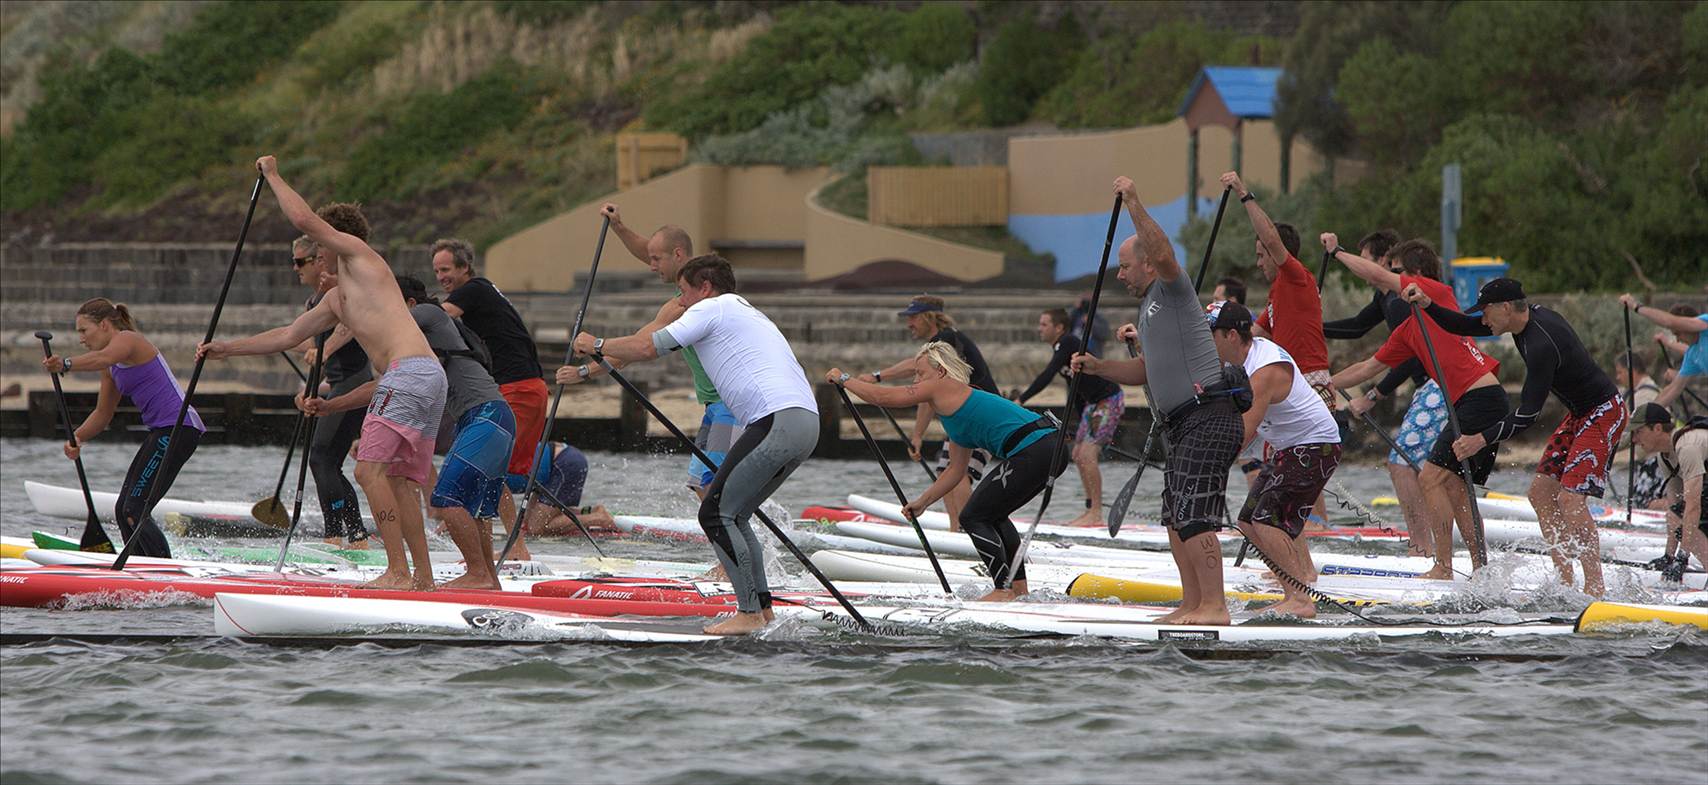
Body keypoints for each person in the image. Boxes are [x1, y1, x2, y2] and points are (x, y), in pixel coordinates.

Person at [200, 156, 446, 591]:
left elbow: (302, 217)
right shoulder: (337, 299)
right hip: (425, 377)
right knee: (400, 481)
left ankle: (397, 574)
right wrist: (225, 349)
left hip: (408, 375)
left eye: (315, 247)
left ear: (332, 240)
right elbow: (287, 336)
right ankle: (421, 580)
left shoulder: (361, 259)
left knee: (369, 474)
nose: (313, 255)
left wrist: (272, 175)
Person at [571, 254, 818, 635]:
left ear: (705, 288)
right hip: (803, 422)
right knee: (734, 513)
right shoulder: (743, 310)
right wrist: (593, 364)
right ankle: (762, 611)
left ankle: (748, 612)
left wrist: (596, 343)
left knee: (714, 513)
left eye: (684, 293)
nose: (680, 301)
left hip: (774, 421)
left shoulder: (714, 307)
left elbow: (647, 348)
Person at [1072, 176, 1246, 626]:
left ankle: (1216, 607)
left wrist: (1133, 199)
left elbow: (1165, 250)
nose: (1120, 274)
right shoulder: (1147, 309)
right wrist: (1097, 366)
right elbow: (1146, 371)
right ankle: (1192, 604)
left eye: (1126, 266)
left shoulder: (1173, 288)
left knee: (1195, 512)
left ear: (1149, 265)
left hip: (1209, 415)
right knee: (1175, 516)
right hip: (1182, 424)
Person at [1405, 277, 1626, 596]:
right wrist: (1428, 304)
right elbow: (1460, 325)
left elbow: (1527, 414)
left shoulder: (1540, 343)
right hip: (1579, 415)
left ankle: (1595, 588)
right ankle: (1565, 584)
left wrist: (1480, 439)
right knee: (1540, 494)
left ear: (1505, 308)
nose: (1482, 319)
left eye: (1485, 312)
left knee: (1570, 499)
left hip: (1605, 412)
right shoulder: (1518, 322)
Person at [309, 276, 515, 588]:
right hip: (487, 418)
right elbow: (382, 386)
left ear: (409, 305)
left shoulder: (431, 315)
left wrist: (347, 291)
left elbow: (377, 317)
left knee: (446, 497)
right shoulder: (414, 350)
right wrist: (332, 405)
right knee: (473, 505)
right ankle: (487, 577)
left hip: (487, 415)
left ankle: (477, 575)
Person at [1327, 236, 1505, 581]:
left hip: (1482, 398)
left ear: (1417, 276)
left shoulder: (1437, 293)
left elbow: (1378, 278)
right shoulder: (1409, 330)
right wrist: (1322, 382)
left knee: (1430, 476)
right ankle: (1481, 572)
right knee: (1454, 487)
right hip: (1469, 401)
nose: (1392, 280)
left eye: (1398, 273)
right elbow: (1366, 368)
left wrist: (1336, 253)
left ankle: (1442, 567)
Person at [832, 343, 1063, 601]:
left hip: (1037, 448)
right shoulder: (954, 418)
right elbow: (955, 471)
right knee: (993, 514)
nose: (917, 380)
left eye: (920, 373)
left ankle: (1002, 590)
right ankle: (1018, 590)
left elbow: (884, 398)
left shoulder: (944, 386)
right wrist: (922, 503)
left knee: (973, 517)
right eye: (915, 376)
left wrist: (844, 379)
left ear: (940, 371)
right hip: (1048, 449)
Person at [573, 205, 739, 500]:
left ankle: (735, 536)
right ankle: (734, 531)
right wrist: (619, 227)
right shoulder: (693, 283)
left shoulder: (683, 305)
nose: (650, 266)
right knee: (706, 483)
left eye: (656, 260)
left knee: (708, 482)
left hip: (731, 406)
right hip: (717, 407)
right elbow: (653, 251)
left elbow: (638, 348)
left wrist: (586, 369)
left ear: (678, 255)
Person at [1206, 302, 1342, 617]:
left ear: (1230, 336)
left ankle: (1299, 600)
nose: (1204, 339)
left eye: (1208, 333)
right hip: (1291, 447)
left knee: (1267, 520)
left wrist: (1209, 468)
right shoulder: (1241, 357)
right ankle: (1302, 576)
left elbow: (1243, 432)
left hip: (1314, 446)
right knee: (1248, 521)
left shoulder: (1263, 370)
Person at [43, 298, 203, 558]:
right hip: (163, 431)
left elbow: (102, 356)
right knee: (123, 510)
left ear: (104, 325)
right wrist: (77, 438)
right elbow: (103, 413)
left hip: (178, 427)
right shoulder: (110, 368)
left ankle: (162, 568)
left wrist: (66, 365)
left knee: (134, 510)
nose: (81, 338)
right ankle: (141, 565)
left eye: (84, 330)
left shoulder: (129, 340)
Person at [1321, 229, 1442, 556]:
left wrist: (1373, 396)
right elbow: (1360, 331)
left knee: (1402, 464)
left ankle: (1422, 549)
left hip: (1438, 389)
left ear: (1386, 261)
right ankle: (1432, 549)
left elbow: (1411, 356)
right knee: (1425, 471)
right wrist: (1313, 329)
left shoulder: (1406, 302)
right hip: (1428, 390)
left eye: (1367, 263)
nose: (1363, 272)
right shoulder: (1386, 299)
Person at [433, 238, 543, 560]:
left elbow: (437, 319)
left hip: (517, 388)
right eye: (437, 271)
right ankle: (503, 547)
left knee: (489, 468)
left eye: (447, 269)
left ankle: (516, 549)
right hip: (524, 387)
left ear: (465, 267)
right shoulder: (482, 291)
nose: (441, 277)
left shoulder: (473, 290)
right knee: (490, 470)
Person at [857, 295, 999, 532]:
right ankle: (956, 532)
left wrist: (876, 377)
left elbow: (913, 366)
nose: (909, 324)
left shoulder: (945, 340)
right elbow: (926, 397)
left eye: (912, 317)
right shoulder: (942, 349)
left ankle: (969, 534)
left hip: (980, 416)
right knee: (945, 473)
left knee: (960, 475)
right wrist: (917, 436)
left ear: (927, 317)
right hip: (964, 418)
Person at [1220, 172, 1332, 407]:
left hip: (1309, 378)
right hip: (1287, 381)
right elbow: (1250, 335)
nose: (1258, 263)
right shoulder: (1277, 293)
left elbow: (1270, 238)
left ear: (1277, 254)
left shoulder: (1296, 277)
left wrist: (1243, 194)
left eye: (1261, 256)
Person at [292, 236, 372, 548]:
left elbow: (347, 329)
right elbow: (313, 351)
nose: (295, 268)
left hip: (355, 380)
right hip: (338, 383)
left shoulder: (341, 296)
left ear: (319, 262)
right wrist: (307, 391)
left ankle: (334, 536)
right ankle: (357, 536)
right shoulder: (312, 303)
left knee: (320, 458)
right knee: (328, 461)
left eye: (300, 262)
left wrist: (324, 353)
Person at [1014, 308, 1124, 528]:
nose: (1039, 328)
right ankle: (1090, 509)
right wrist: (1073, 425)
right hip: (1091, 405)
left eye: (1044, 324)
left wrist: (1021, 400)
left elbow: (1047, 375)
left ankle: (1096, 513)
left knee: (1087, 454)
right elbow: (1075, 390)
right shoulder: (1060, 347)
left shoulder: (1069, 343)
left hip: (1108, 400)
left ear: (1059, 327)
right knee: (1077, 453)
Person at [1627, 404, 1700, 577]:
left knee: (1696, 524)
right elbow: (1675, 508)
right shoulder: (1664, 457)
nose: (1634, 440)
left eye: (1638, 432)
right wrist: (1669, 556)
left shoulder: (1687, 447)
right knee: (1676, 513)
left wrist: (1682, 558)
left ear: (1658, 428)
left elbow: (1693, 506)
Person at [1620, 297, 1708, 409]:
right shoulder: (1692, 354)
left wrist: (1636, 306)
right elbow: (1674, 389)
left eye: (1677, 334)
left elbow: (1669, 321)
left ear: (1686, 326)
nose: (1678, 340)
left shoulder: (1705, 323)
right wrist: (1645, 414)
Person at [520, 442, 617, 536]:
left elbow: (505, 500)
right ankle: (592, 511)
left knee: (536, 528)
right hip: (559, 461)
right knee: (528, 522)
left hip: (565, 463)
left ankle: (598, 518)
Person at [1613, 348, 1661, 412]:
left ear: (1631, 371)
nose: (1617, 377)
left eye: (1620, 372)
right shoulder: (1631, 391)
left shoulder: (1643, 396)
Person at [1068, 291, 1111, 359]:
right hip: (1074, 353)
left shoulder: (1099, 317)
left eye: (1088, 300)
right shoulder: (1075, 315)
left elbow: (1104, 334)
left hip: (1093, 353)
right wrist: (1076, 308)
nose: (1086, 303)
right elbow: (1066, 328)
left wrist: (1091, 323)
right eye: (1084, 301)